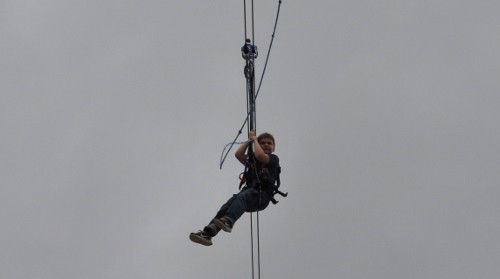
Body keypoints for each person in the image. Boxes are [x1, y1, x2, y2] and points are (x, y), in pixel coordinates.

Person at [189, 130, 280, 246]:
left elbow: (260, 156)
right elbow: (238, 155)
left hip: (262, 196)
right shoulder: (254, 161)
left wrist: (255, 140)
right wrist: (249, 141)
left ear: (274, 147)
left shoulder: (273, 159)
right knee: (226, 207)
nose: (266, 144)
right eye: (263, 143)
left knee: (242, 197)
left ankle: (229, 221)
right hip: (250, 194)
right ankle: (209, 233)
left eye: (269, 143)